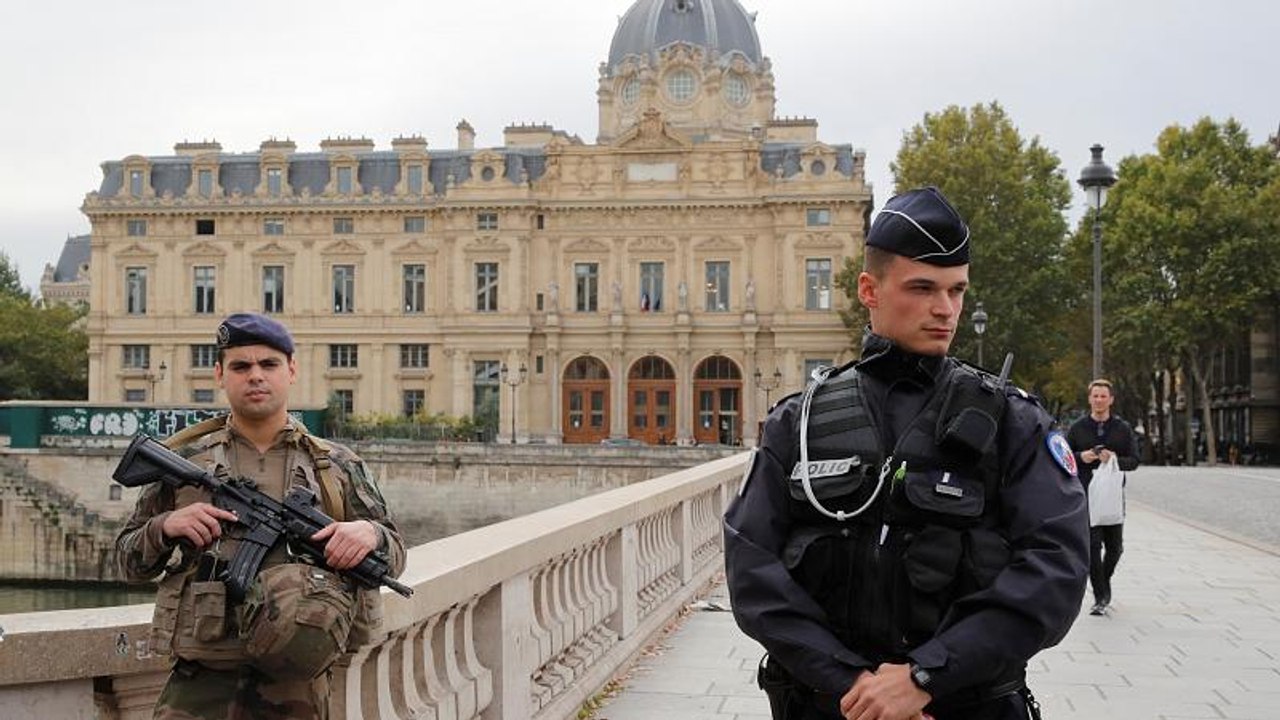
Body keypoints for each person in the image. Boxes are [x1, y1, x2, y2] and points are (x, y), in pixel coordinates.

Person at [724, 187, 1090, 720]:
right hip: (829, 706)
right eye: (922, 288)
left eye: (956, 290)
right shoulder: (798, 423)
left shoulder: (1013, 422)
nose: (945, 309)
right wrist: (855, 686)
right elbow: (752, 570)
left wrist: (925, 676)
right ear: (869, 290)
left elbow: (1056, 570)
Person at [115, 312, 407, 719]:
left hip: (299, 686)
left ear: (292, 370)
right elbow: (126, 562)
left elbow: (394, 553)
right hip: (200, 682)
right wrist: (164, 528)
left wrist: (371, 534)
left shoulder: (336, 466)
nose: (255, 376)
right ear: (220, 375)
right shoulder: (185, 461)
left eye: (269, 364)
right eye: (241, 366)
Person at [1065, 378, 1139, 617]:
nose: (1099, 400)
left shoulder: (1122, 428)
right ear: (1089, 399)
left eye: (1103, 396)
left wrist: (1114, 459)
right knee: (1092, 547)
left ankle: (1103, 582)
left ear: (1111, 399)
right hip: (1086, 495)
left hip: (1113, 495)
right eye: (1095, 396)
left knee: (1115, 548)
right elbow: (1064, 458)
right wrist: (1082, 457)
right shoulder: (1077, 428)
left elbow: (1134, 461)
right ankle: (1100, 597)